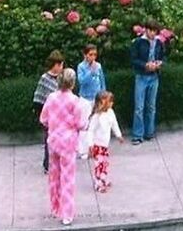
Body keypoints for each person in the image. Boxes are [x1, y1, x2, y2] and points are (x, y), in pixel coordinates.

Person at [40, 68, 87, 227]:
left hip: (53, 141)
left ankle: (55, 207)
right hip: (68, 143)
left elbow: (43, 118)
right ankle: (67, 214)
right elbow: (80, 124)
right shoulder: (75, 101)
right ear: (73, 83)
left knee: (54, 176)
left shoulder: (51, 98)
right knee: (67, 178)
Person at [130, 19, 165, 145]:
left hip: (154, 76)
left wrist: (159, 63)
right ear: (146, 30)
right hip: (142, 76)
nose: (152, 34)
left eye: (155, 32)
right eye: (151, 31)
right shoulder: (138, 42)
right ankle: (137, 135)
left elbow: (162, 56)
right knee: (139, 107)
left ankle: (149, 132)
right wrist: (145, 65)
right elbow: (133, 59)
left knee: (151, 106)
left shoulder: (159, 43)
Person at [33, 50, 65, 174]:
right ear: (55, 65)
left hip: (61, 115)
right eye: (61, 65)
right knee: (49, 140)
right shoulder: (45, 78)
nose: (62, 67)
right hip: (50, 116)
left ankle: (59, 162)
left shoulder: (62, 78)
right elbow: (39, 97)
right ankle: (48, 164)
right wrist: (41, 115)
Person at [88, 91, 123, 192]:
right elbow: (90, 131)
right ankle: (98, 183)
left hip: (105, 145)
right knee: (99, 165)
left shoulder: (110, 113)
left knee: (105, 163)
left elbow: (114, 124)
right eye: (110, 101)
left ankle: (104, 179)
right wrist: (90, 145)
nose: (112, 103)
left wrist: (118, 135)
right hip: (97, 145)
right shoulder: (96, 117)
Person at [76, 45, 106, 157]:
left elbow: (102, 81)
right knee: (85, 124)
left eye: (95, 55)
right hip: (85, 98)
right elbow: (82, 81)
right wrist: (91, 71)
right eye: (90, 55)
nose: (93, 57)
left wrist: (104, 95)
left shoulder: (98, 66)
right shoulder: (81, 67)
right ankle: (84, 150)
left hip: (97, 98)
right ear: (85, 55)